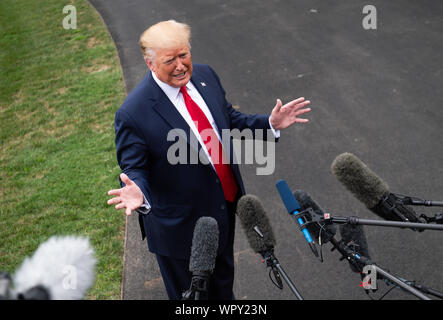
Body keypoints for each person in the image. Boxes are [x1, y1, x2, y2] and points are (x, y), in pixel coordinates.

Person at [107, 20, 311, 300]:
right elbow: (135, 167)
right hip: (180, 231)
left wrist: (270, 123)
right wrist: (138, 190)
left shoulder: (205, 76)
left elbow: (227, 119)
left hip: (222, 210)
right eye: (170, 60)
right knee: (194, 299)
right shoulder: (133, 113)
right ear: (150, 63)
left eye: (184, 55)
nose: (180, 66)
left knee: (223, 289)